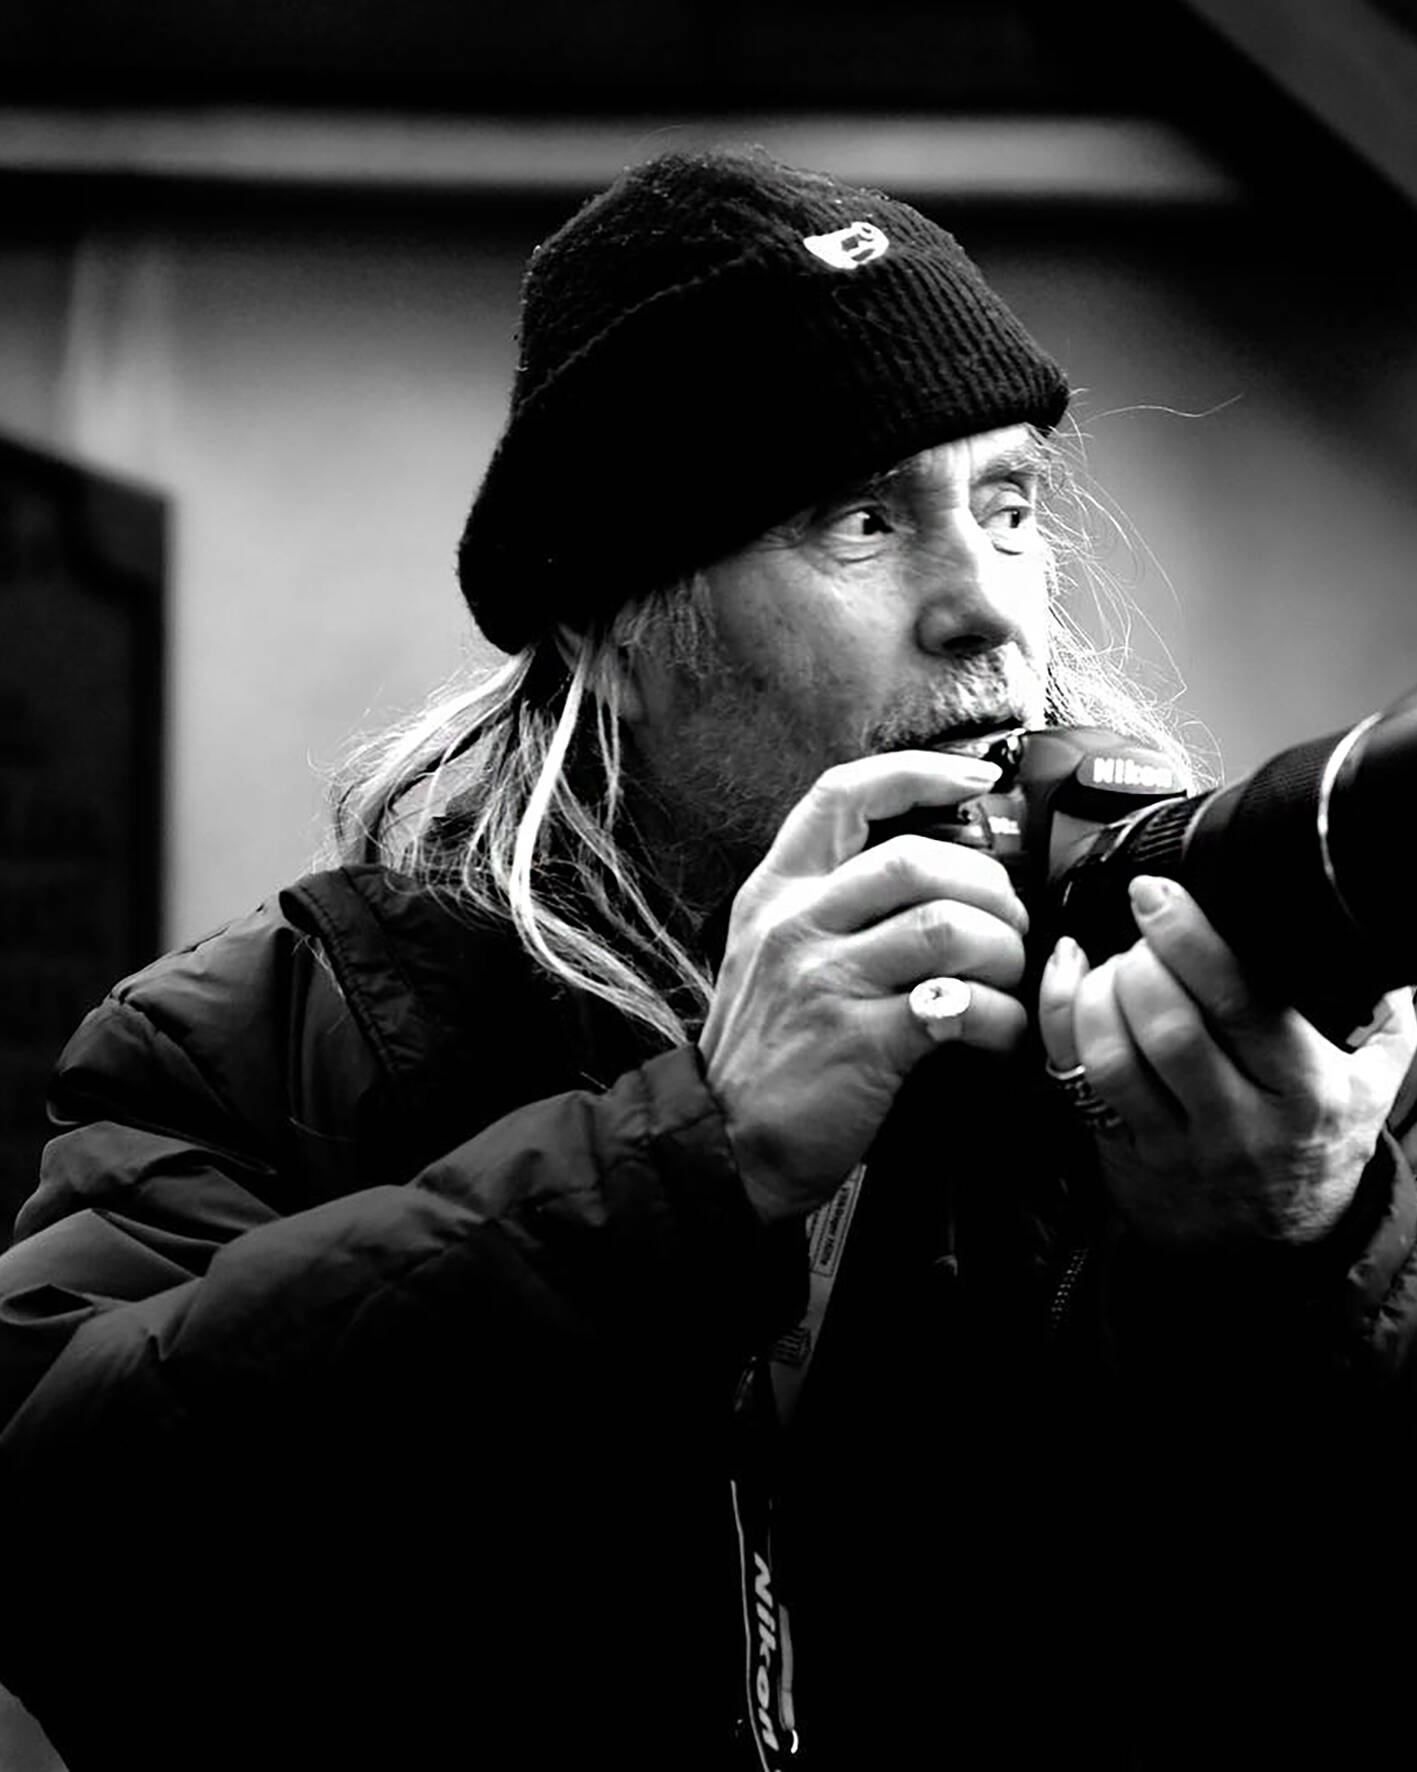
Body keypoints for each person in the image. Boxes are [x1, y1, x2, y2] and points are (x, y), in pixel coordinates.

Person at [1, 148, 1414, 1771]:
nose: (986, 609)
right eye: (860, 519)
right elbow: (61, 1543)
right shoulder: (279, 1036)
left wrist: (1308, 1255)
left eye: (1009, 506)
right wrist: (691, 1159)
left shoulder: (1201, 1022)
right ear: (610, 624)